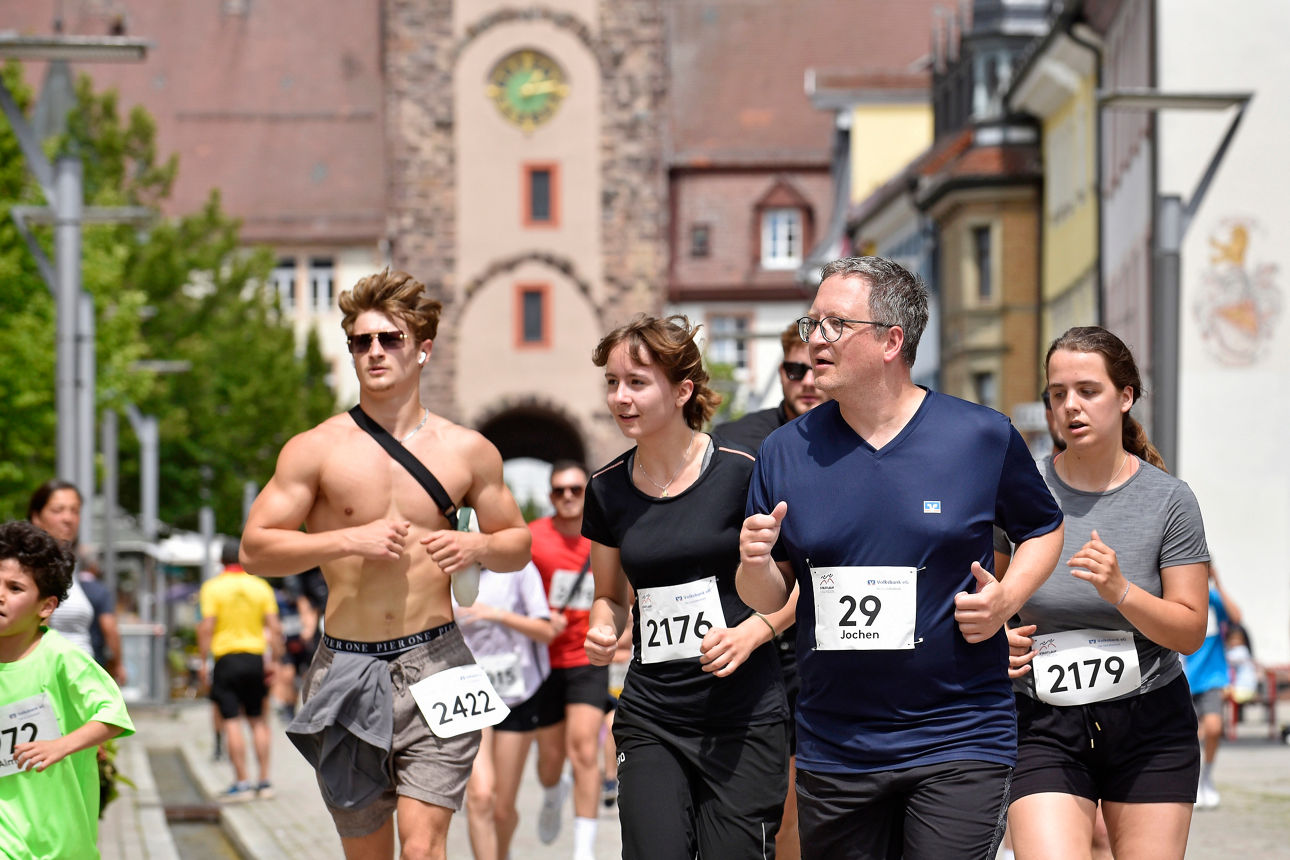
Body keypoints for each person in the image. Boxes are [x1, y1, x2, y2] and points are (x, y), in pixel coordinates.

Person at [737, 256, 1064, 860]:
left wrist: (1007, 600)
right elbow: (768, 596)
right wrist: (753, 563)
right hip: (835, 746)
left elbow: (1044, 528)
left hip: (960, 736)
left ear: (891, 340)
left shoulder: (980, 436)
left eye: (835, 324)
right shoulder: (785, 452)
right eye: (812, 324)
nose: (816, 341)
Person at [240, 267, 531, 860]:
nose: (374, 351)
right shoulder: (315, 448)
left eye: (389, 339)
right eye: (361, 341)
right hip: (346, 665)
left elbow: (518, 543)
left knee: (423, 849)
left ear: (422, 350)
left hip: (438, 658)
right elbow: (255, 549)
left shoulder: (467, 450)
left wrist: (477, 547)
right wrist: (347, 541)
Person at [583, 315, 790, 859]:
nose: (620, 397)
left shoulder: (744, 473)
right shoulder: (605, 491)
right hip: (653, 712)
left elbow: (802, 585)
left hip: (742, 718)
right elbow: (608, 595)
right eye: (612, 382)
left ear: (682, 390)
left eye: (637, 381)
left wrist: (753, 633)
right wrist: (602, 626)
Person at [1005, 326, 1210, 860]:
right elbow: (989, 600)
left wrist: (1122, 591)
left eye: (1088, 391)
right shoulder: (1021, 494)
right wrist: (995, 638)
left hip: (1148, 722)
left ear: (1125, 397)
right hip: (1041, 720)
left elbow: (1190, 632)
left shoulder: (1170, 500)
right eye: (1057, 393)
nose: (1070, 406)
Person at [716, 320, 826, 860]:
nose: (806, 380)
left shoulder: (857, 438)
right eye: (793, 369)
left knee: (820, 801)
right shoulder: (737, 443)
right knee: (778, 806)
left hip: (823, 633)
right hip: (751, 633)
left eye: (816, 368)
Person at [0, 520, 135, 859]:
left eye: (15, 588)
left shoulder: (62, 658)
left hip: (60, 840)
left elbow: (114, 716)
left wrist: (62, 745)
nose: (0, 595)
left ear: (45, 607)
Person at [528, 460, 609, 858]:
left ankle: (584, 849)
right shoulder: (532, 538)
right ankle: (551, 792)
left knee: (583, 750)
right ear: (550, 496)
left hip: (586, 657)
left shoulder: (604, 536)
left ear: (586, 493)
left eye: (576, 489)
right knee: (549, 761)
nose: (567, 497)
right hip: (543, 660)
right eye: (559, 490)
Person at [457, 562, 556, 860]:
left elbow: (546, 631)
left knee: (502, 809)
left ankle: (501, 853)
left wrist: (495, 614)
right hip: (469, 691)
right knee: (481, 795)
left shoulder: (518, 568)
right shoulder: (445, 568)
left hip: (518, 693)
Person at [198, 539, 284, 801]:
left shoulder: (212, 588)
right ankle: (265, 781)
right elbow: (275, 627)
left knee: (232, 720)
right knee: (258, 720)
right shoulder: (260, 586)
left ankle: (243, 782)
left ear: (221, 561)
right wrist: (276, 660)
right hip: (255, 657)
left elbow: (207, 627)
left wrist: (203, 661)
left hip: (226, 658)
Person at [27, 480, 124, 684]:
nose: (68, 518)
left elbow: (110, 629)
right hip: (42, 682)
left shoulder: (71, 570)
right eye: (58, 510)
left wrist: (115, 666)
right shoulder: (23, 567)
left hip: (83, 682)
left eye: (75, 510)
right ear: (36, 516)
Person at [1182, 564, 1241, 809]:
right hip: (1184, 677)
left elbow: (1237, 617)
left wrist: (1218, 582)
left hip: (1213, 676)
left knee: (1214, 728)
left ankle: (1207, 776)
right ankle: (1194, 780)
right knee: (1191, 734)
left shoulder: (1213, 600)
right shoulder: (1182, 599)